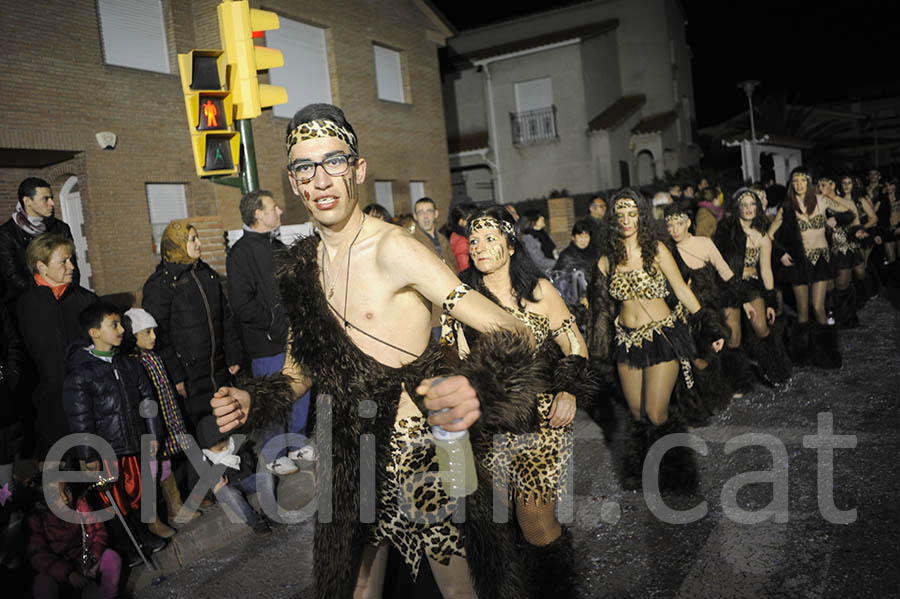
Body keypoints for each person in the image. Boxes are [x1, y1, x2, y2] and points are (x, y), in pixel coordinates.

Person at [211, 103, 549, 599]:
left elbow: (509, 329)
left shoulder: (398, 249)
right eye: (306, 167)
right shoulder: (300, 268)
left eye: (334, 161)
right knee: (357, 584)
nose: (321, 179)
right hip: (350, 450)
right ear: (293, 181)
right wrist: (252, 399)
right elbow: (298, 370)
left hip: (423, 449)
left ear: (358, 169)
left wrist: (474, 385)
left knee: (459, 588)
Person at [455, 207, 594, 597]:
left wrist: (569, 390)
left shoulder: (539, 291)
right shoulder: (462, 299)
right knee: (496, 521)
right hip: (488, 427)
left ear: (511, 245)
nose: (480, 248)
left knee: (533, 519)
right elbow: (456, 359)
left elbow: (575, 346)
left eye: (490, 239)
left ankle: (556, 591)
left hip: (540, 422)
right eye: (474, 241)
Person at [588, 189, 723, 490]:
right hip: (626, 341)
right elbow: (598, 310)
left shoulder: (657, 250)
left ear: (642, 216)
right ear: (612, 220)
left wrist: (709, 327)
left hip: (662, 336)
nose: (626, 220)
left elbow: (683, 291)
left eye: (632, 213)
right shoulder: (606, 262)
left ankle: (676, 473)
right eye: (620, 215)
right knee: (636, 413)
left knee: (656, 412)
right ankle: (642, 470)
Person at [62, 303, 167, 562]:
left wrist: (153, 434)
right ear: (94, 332)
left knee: (137, 494)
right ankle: (127, 545)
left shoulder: (128, 365)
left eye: (121, 324)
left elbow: (147, 400)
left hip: (132, 444)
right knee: (114, 501)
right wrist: (89, 453)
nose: (122, 330)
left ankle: (143, 535)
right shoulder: (81, 373)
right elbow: (80, 418)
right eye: (114, 325)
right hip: (107, 450)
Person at [227, 191, 307, 475]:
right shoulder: (240, 254)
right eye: (274, 208)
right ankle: (274, 453)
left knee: (299, 391)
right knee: (274, 397)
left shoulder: (276, 245)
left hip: (292, 337)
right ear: (258, 215)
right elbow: (241, 303)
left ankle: (296, 443)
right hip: (267, 341)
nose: (280, 211)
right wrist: (273, 326)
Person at [142, 220, 242, 427]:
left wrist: (233, 354)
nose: (199, 244)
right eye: (192, 239)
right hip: (189, 375)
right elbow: (159, 336)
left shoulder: (207, 274)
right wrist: (175, 375)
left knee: (226, 419)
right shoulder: (161, 284)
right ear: (175, 244)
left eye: (198, 238)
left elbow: (226, 318)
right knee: (200, 425)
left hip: (218, 368)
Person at [664, 202, 756, 402]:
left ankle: (734, 383)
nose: (674, 230)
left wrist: (744, 301)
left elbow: (726, 273)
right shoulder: (667, 252)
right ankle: (711, 395)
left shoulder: (704, 243)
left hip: (714, 304)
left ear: (688, 223)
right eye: (670, 226)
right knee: (700, 356)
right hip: (688, 311)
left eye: (678, 224)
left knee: (726, 344)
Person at [16, 234, 97, 460]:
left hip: (88, 404)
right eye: (63, 261)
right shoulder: (22, 306)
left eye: (72, 260)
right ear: (41, 267)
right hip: (46, 408)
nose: (71, 266)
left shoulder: (87, 301)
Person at [121, 307, 197, 527]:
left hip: (167, 418)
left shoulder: (154, 357)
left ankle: (175, 507)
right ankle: (152, 518)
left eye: (154, 331)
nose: (154, 337)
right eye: (147, 332)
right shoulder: (135, 362)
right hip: (153, 425)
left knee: (165, 465)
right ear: (133, 335)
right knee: (153, 469)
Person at [715, 189, 792, 385]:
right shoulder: (727, 230)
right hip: (730, 285)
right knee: (733, 338)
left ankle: (775, 370)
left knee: (761, 327)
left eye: (752, 204)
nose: (748, 209)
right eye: (744, 205)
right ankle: (736, 380)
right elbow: (720, 265)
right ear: (737, 208)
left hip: (752, 285)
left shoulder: (763, 236)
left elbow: (766, 271)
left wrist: (770, 301)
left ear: (757, 207)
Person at [769, 166, 840, 368]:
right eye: (795, 181)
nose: (799, 184)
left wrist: (835, 220)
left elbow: (849, 210)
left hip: (821, 262)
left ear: (809, 183)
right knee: (802, 310)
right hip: (799, 264)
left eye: (803, 180)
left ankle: (827, 352)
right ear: (792, 184)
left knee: (818, 307)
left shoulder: (820, 200)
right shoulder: (787, 207)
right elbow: (770, 235)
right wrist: (781, 253)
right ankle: (802, 354)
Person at [27, 480, 122, 599]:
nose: (65, 498)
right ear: (43, 503)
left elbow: (98, 531)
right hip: (61, 571)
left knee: (112, 557)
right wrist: (68, 573)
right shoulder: (38, 520)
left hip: (85, 562)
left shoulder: (80, 505)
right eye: (56, 496)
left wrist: (93, 557)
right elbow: (38, 555)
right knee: (42, 583)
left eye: (66, 490)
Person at [0, 178, 79, 316]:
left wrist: (65, 293)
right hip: (28, 308)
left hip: (65, 300)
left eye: (52, 198)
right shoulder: (6, 234)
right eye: (45, 199)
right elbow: (13, 277)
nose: (52, 203)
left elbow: (73, 267)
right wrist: (47, 294)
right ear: (27, 201)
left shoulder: (60, 228)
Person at [195, 415, 274, 536]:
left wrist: (246, 463)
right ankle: (255, 522)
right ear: (208, 448)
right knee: (229, 494)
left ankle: (269, 513)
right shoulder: (204, 460)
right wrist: (213, 488)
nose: (226, 448)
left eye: (226, 443)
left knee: (266, 477)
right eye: (220, 449)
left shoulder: (235, 445)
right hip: (228, 488)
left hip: (246, 479)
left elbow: (251, 461)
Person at [818, 176, 864, 328]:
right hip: (827, 248)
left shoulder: (846, 202)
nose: (820, 188)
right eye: (818, 185)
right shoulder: (820, 202)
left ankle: (847, 317)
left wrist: (857, 231)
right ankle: (832, 313)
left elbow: (856, 223)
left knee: (843, 284)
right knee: (829, 286)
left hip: (845, 247)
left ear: (832, 185)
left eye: (823, 185)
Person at [448, 203, 477, 272]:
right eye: (469, 220)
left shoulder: (455, 235)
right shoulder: (461, 241)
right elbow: (465, 267)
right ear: (461, 221)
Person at [586, 195, 608, 262]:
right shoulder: (586, 225)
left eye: (605, 206)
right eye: (601, 206)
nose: (605, 208)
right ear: (592, 209)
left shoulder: (606, 222)